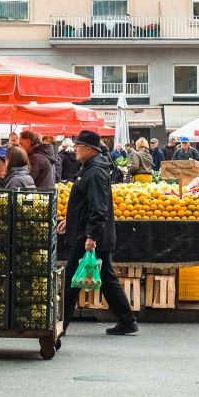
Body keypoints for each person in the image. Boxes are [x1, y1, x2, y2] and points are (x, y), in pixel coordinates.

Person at [59, 130, 139, 336]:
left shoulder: (94, 172)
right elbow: (87, 204)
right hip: (90, 232)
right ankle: (127, 320)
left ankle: (61, 324)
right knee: (106, 277)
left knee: (71, 278)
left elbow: (99, 207)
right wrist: (71, 220)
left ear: (89, 149)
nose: (74, 149)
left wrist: (91, 237)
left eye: (78, 146)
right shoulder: (89, 169)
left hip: (91, 235)